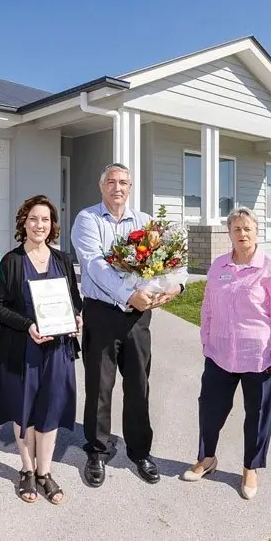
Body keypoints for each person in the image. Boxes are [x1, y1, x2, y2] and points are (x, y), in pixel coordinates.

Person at [70, 162, 184, 488]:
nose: (117, 188)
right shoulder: (87, 219)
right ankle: (97, 450)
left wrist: (176, 286)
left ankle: (139, 451)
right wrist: (127, 294)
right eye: (111, 182)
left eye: (123, 182)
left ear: (130, 187)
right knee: (99, 388)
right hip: (102, 314)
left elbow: (167, 261)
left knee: (138, 385)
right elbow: (93, 264)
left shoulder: (147, 222)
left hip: (137, 318)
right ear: (101, 186)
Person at [181, 206, 271, 500]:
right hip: (220, 352)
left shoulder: (270, 267)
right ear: (229, 233)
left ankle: (250, 468)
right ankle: (207, 459)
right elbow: (207, 305)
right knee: (210, 407)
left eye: (247, 228)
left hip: (260, 354)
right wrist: (206, 338)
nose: (242, 234)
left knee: (257, 414)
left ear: (257, 232)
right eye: (236, 229)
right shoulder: (219, 265)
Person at [0, 195, 83, 505]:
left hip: (57, 350)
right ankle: (27, 470)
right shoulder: (12, 261)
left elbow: (74, 300)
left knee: (50, 409)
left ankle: (45, 472)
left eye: (45, 219)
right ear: (23, 223)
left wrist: (76, 318)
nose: (39, 225)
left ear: (52, 225)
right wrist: (28, 324)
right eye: (33, 219)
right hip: (22, 350)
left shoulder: (63, 260)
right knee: (25, 411)